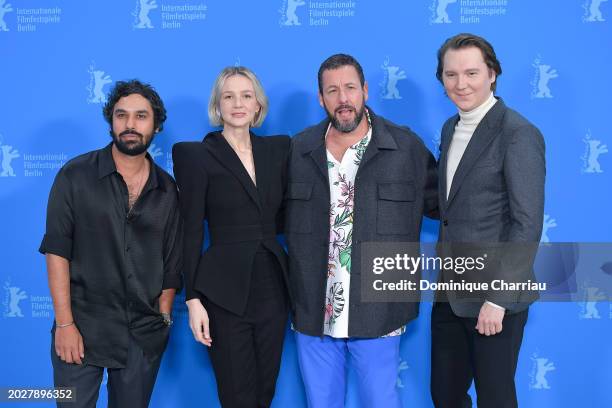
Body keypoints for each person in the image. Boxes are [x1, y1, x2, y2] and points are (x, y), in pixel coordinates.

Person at [285, 53, 438, 407]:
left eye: (350, 88)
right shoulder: (296, 150)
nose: (343, 99)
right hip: (313, 308)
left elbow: (447, 206)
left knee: (380, 401)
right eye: (333, 90)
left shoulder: (406, 147)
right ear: (320, 98)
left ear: (365, 91)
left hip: (379, 307)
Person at [39, 79, 182, 408]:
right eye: (122, 115)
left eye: (141, 116)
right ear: (111, 121)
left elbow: (171, 264)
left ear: (156, 125)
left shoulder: (167, 190)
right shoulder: (74, 176)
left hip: (142, 334)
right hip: (81, 326)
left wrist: (162, 321)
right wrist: (64, 324)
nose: (130, 125)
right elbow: (57, 252)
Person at [431, 33, 545, 408]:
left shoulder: (517, 133)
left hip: (494, 301)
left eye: (471, 73)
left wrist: (498, 299)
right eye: (451, 74)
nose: (460, 84)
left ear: (492, 73)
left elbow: (526, 222)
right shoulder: (451, 128)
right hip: (449, 294)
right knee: (445, 395)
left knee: (495, 398)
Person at [172, 66, 290, 408]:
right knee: (237, 396)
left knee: (264, 392)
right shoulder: (194, 155)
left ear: (258, 105)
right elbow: (191, 229)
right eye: (229, 96)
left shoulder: (280, 149)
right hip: (223, 291)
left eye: (246, 95)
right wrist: (192, 299)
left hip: (273, 285)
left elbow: (290, 214)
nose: (238, 103)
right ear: (217, 106)